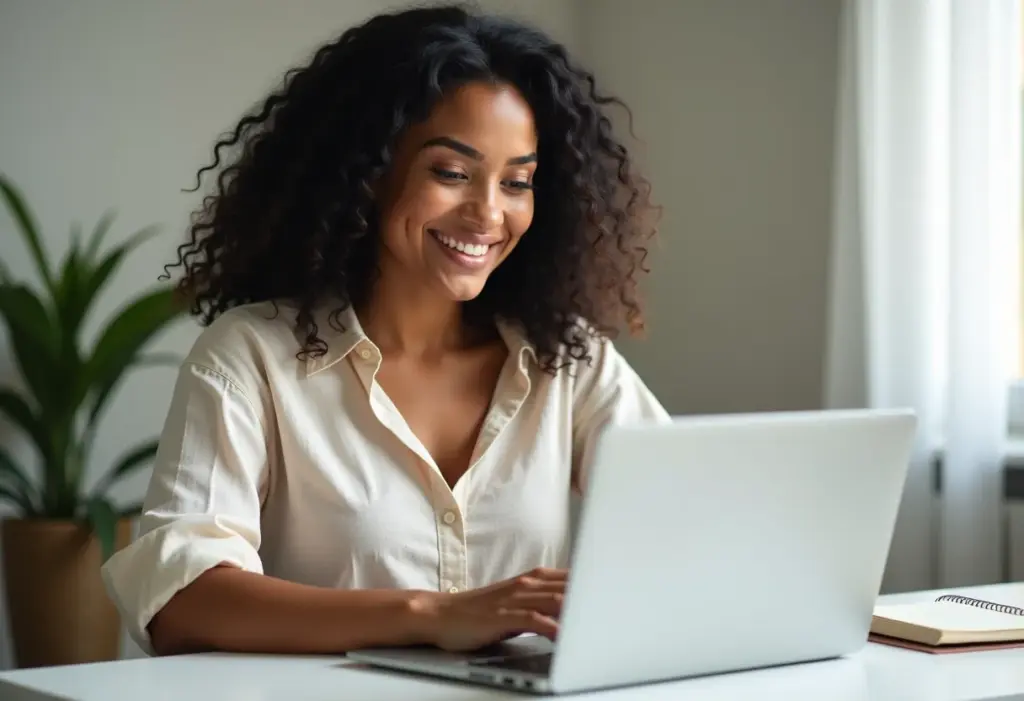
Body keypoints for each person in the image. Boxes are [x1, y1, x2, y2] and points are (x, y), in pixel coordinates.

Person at [101, 3, 669, 658]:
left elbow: (692, 519)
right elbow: (181, 600)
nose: (489, 212)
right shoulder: (249, 356)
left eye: (517, 182)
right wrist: (434, 613)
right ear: (368, 171)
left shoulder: (565, 361)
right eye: (451, 172)